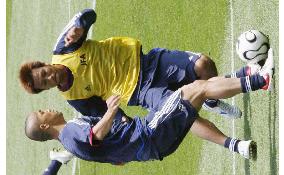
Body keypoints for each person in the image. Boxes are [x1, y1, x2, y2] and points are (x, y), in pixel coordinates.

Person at [24, 49, 274, 165]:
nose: (45, 108)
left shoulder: (70, 141)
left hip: (150, 148)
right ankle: (262, 80)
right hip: (148, 132)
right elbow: (94, 135)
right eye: (41, 112)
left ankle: (244, 76)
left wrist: (121, 136)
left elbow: (115, 160)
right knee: (195, 90)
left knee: (194, 93)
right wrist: (111, 112)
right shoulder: (69, 131)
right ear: (45, 125)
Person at [18, 8, 262, 118]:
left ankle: (210, 99)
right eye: (46, 83)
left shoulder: (63, 47)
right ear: (47, 89)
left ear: (44, 64)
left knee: (203, 65)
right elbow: (101, 113)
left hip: (146, 61)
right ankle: (246, 83)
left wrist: (81, 24)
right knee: (178, 108)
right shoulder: (73, 97)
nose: (50, 77)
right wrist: (123, 121)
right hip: (138, 92)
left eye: (45, 73)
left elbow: (88, 15)